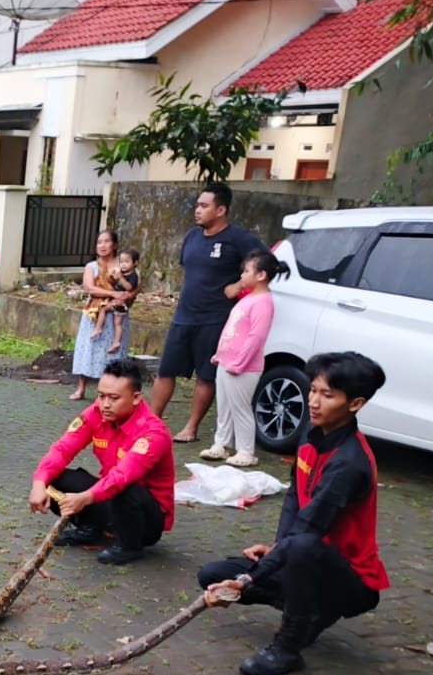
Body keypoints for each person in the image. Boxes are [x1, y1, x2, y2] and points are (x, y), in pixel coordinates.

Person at [199, 351, 389, 675]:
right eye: (313, 390)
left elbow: (308, 532)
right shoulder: (312, 435)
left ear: (355, 404)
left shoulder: (348, 463)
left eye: (327, 395)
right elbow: (293, 499)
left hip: (351, 579)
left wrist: (247, 579)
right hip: (304, 554)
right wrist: (276, 548)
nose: (314, 401)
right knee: (212, 574)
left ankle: (288, 647)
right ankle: (311, 613)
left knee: (299, 548)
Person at [28, 357, 175, 566]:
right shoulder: (96, 414)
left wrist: (85, 498)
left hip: (145, 518)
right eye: (101, 396)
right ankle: (92, 530)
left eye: (114, 398)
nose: (105, 404)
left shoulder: (153, 432)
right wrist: (39, 483)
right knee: (54, 478)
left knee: (124, 487)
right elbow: (62, 449)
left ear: (135, 398)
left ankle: (130, 546)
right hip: (110, 498)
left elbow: (122, 476)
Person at [150, 182, 264, 444]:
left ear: (221, 209)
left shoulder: (239, 239)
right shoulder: (191, 237)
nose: (197, 210)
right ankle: (152, 424)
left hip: (215, 319)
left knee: (205, 375)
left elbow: (268, 263)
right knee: (166, 371)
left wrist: (238, 286)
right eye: (197, 205)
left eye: (204, 206)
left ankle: (191, 428)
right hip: (183, 316)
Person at [202, 250, 287, 467]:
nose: (242, 276)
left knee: (240, 408)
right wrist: (220, 355)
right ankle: (221, 443)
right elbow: (234, 329)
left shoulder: (263, 302)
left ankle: (246, 451)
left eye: (247, 271)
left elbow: (256, 336)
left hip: (243, 367)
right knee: (224, 406)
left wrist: (239, 363)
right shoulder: (249, 299)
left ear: (261, 275)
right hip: (227, 362)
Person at [71, 230, 139, 402]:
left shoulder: (123, 265)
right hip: (95, 313)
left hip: (117, 313)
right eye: (99, 242)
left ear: (115, 245)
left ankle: (111, 393)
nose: (102, 245)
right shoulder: (92, 266)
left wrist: (127, 295)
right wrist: (113, 293)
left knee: (114, 352)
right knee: (89, 349)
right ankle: (81, 388)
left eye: (106, 241)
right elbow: (89, 288)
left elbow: (135, 284)